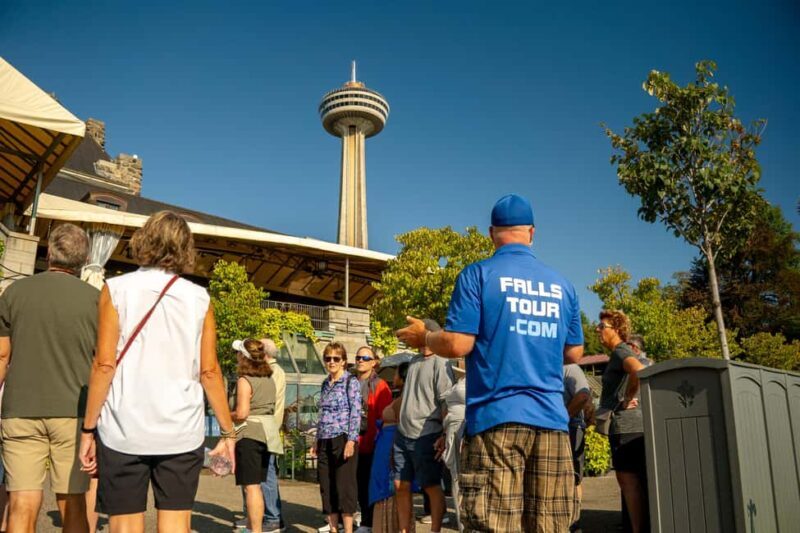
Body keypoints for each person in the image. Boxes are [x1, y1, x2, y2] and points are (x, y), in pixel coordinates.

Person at [397, 193, 584, 532]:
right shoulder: (562, 286)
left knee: (494, 524)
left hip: (497, 421)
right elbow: (574, 353)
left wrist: (425, 337)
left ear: (491, 233)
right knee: (550, 525)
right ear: (532, 232)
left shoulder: (478, 275)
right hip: (552, 422)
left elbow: (457, 342)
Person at [78, 211, 236, 533]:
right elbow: (209, 371)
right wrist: (228, 432)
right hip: (180, 430)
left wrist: (88, 429)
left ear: (144, 239)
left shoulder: (115, 289)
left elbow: (104, 364)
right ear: (185, 248)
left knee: (123, 524)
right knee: (176, 524)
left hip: (123, 428)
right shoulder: (199, 298)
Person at [0, 223, 98, 533]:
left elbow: (2, 356)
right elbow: (103, 363)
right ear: (83, 259)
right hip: (74, 413)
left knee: (21, 504)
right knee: (73, 503)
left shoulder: (14, 292)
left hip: (20, 410)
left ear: (49, 252)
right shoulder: (97, 300)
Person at [393, 319, 453, 533]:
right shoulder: (415, 361)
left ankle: (435, 529)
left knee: (431, 486)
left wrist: (445, 434)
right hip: (403, 433)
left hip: (426, 434)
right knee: (400, 485)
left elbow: (446, 401)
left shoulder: (442, 362)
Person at [596, 310, 649, 533]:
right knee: (633, 482)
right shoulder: (618, 353)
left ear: (616, 330)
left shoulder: (620, 351)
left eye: (602, 327)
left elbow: (639, 370)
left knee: (629, 483)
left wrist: (627, 398)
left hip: (627, 428)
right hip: (629, 427)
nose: (598, 330)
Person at [236, 338, 286, 533]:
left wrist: (226, 413)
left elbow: (242, 413)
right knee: (259, 482)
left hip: (250, 433)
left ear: (244, 357)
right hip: (267, 433)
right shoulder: (268, 378)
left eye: (239, 353)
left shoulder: (245, 379)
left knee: (252, 486)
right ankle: (254, 525)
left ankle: (256, 527)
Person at [312, 343, 361, 533]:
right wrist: (316, 440)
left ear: (343, 362)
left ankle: (348, 529)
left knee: (345, 486)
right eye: (328, 358)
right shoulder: (325, 383)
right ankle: (333, 529)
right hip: (324, 438)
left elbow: (355, 413)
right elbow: (321, 414)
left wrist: (351, 440)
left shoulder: (351, 382)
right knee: (326, 485)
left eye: (336, 358)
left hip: (342, 437)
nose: (331, 362)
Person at [369, 363, 413, 533]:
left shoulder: (404, 400)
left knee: (390, 490)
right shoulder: (400, 397)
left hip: (392, 446)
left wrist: (396, 451)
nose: (393, 377)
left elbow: (403, 425)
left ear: (403, 377)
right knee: (383, 487)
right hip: (384, 445)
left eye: (396, 374)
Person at [354, 346, 393, 533]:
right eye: (358, 357)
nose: (360, 360)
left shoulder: (380, 385)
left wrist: (378, 442)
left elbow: (385, 416)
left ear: (374, 362)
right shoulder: (350, 382)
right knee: (352, 483)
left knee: (366, 483)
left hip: (370, 443)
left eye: (365, 357)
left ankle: (368, 522)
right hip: (350, 442)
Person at [563, 363, 592, 532]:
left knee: (574, 477)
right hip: (560, 428)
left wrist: (564, 416)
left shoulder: (571, 368)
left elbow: (583, 396)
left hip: (572, 427)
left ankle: (574, 521)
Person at [438, 361, 466, 532]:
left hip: (465, 428)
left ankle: (467, 523)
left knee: (464, 477)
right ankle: (462, 522)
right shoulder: (457, 381)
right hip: (451, 429)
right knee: (456, 477)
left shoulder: (478, 378)